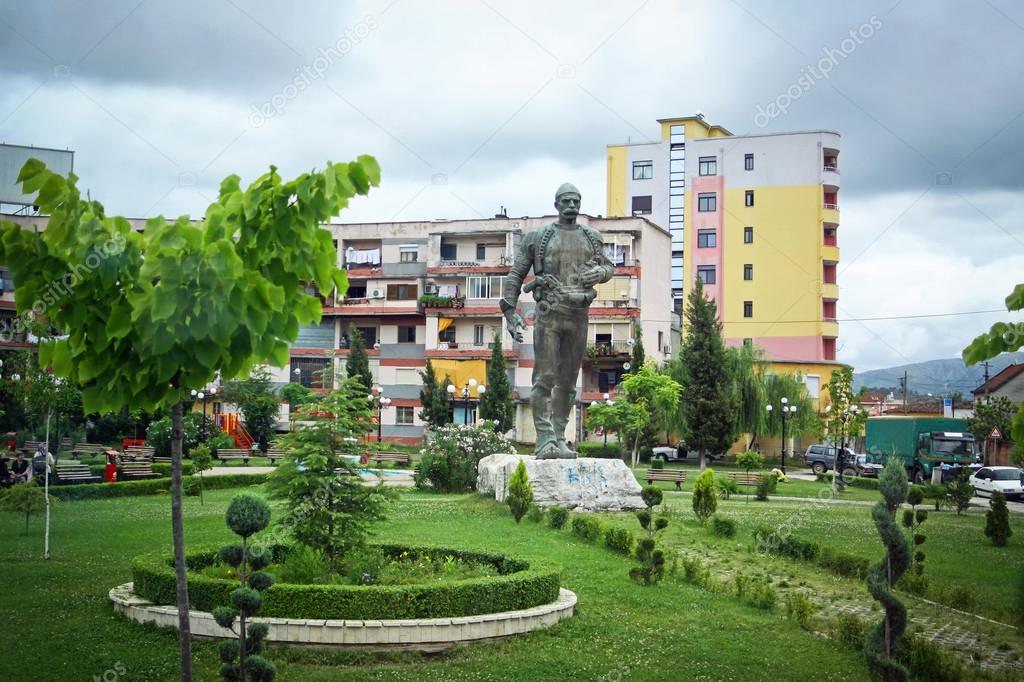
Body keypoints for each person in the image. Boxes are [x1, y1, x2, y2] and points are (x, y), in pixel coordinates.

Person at [502, 182, 614, 459]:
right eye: (566, 201)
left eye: (576, 201)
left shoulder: (591, 237)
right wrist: (509, 312)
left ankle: (560, 437)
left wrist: (599, 272)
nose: (572, 206)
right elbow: (516, 274)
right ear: (556, 205)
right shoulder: (538, 237)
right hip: (549, 315)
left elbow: (609, 267)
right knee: (545, 377)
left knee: (568, 381)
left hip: (579, 315)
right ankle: (544, 438)